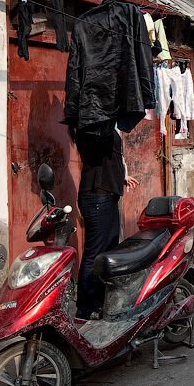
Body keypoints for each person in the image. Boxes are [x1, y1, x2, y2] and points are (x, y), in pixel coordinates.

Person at [71, 126, 139, 320]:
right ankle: (85, 307)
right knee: (95, 252)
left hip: (107, 194)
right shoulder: (90, 127)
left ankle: (100, 301)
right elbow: (97, 153)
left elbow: (111, 158)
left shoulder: (109, 125)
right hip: (96, 196)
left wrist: (122, 176)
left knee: (108, 249)